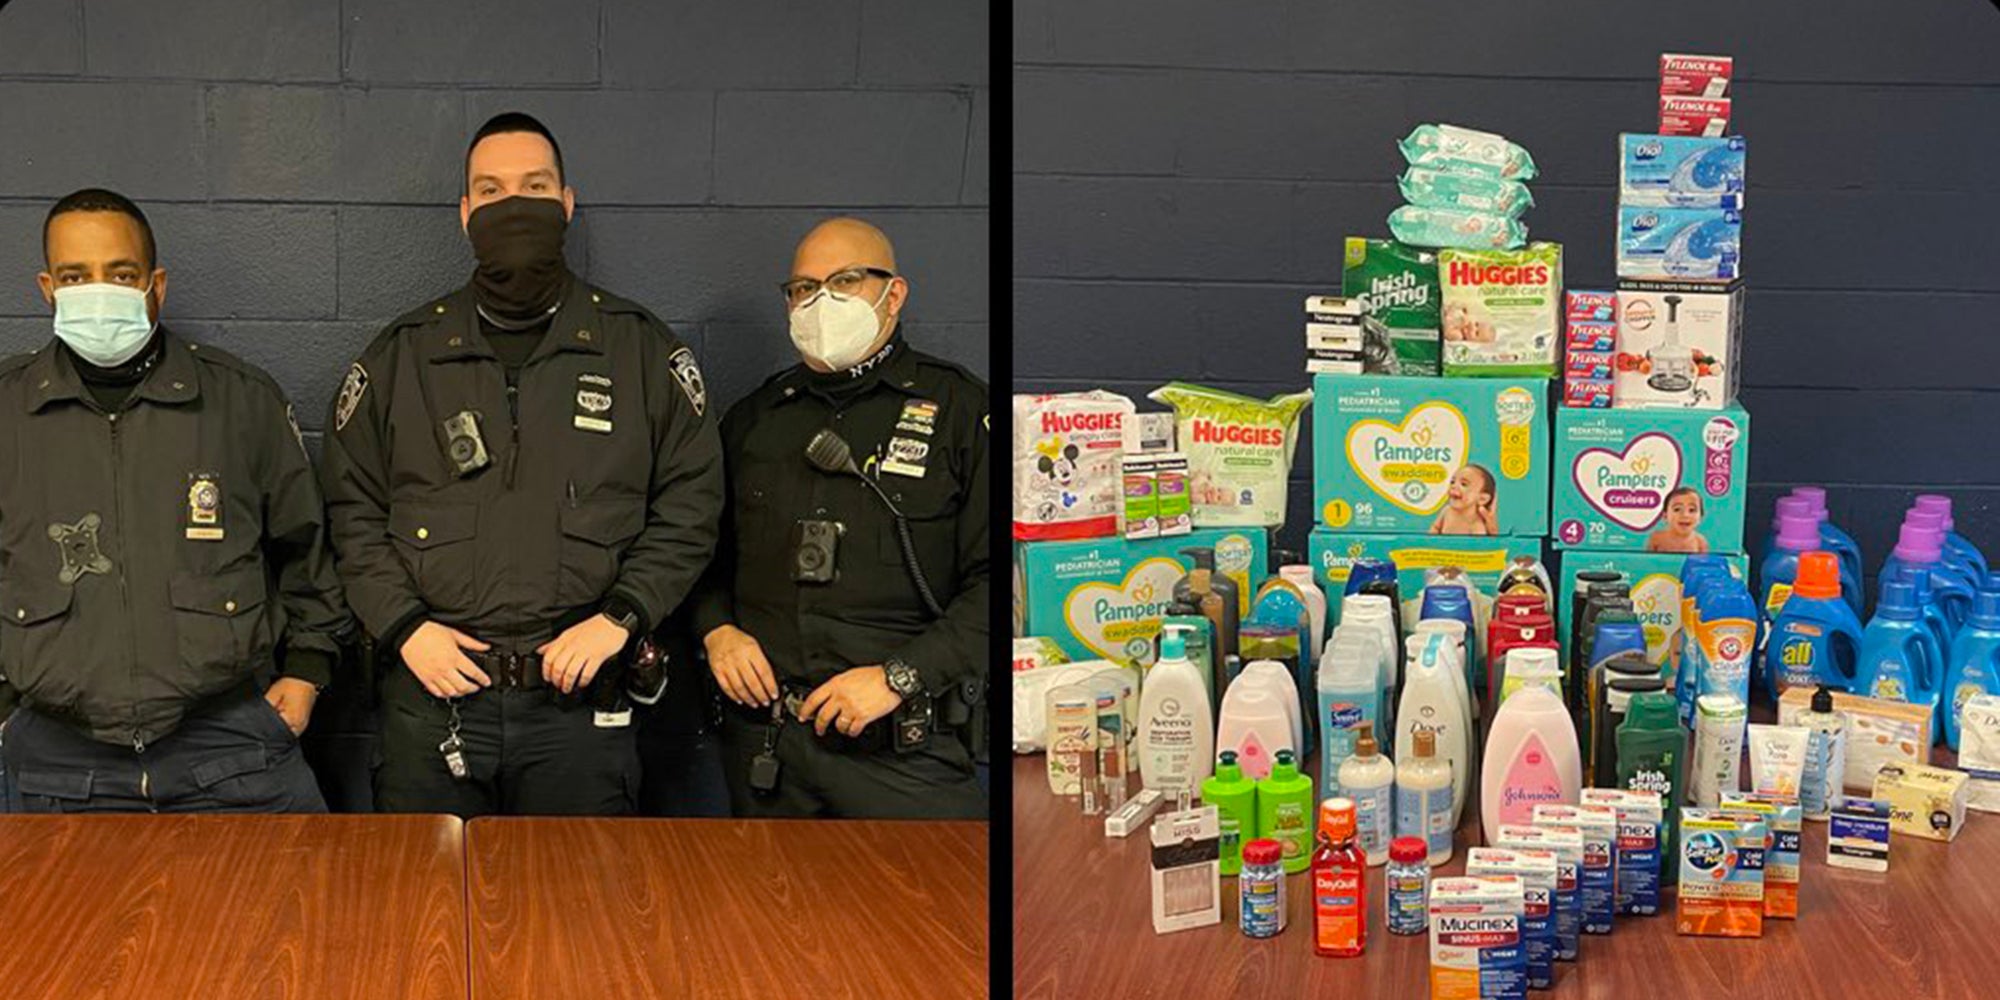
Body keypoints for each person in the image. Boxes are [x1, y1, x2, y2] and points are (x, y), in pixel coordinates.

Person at [318, 113, 723, 817]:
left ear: (566, 204)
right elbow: (352, 511)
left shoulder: (641, 353)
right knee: (422, 911)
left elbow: (691, 507)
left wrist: (621, 618)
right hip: (435, 703)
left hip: (580, 708)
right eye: (493, 190)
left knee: (576, 916)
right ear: (466, 214)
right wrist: (405, 627)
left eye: (534, 187)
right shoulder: (401, 357)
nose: (515, 206)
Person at [0, 188, 349, 813]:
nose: (98, 291)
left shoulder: (240, 400)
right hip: (54, 763)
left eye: (121, 273)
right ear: (48, 287)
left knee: (303, 908)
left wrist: (307, 671)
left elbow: (308, 549)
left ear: (155, 283)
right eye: (77, 276)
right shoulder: (7, 410)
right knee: (51, 915)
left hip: (233, 748)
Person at [692, 217, 989, 819]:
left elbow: (995, 590)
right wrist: (717, 630)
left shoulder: (960, 411)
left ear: (893, 293)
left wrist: (898, 677)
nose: (820, 301)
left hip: (903, 753)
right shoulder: (755, 419)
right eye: (803, 289)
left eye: (845, 281)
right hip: (770, 752)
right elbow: (696, 558)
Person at [1648, 486, 1709, 553]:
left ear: (1700, 517)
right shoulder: (1657, 538)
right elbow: (1648, 561)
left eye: (1691, 510)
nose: (1685, 515)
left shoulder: (1700, 542)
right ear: (1665, 516)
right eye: (1677, 509)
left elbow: (1703, 562)